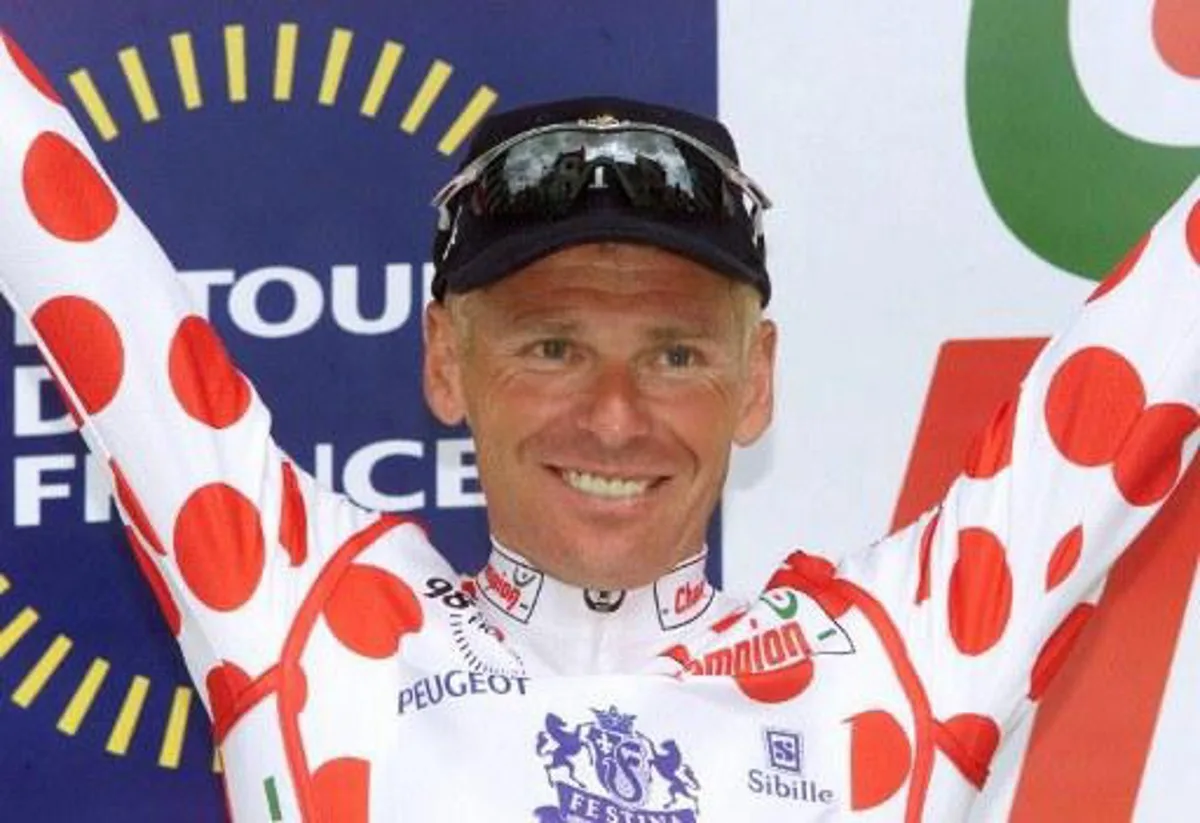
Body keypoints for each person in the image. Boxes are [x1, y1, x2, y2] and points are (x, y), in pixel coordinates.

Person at [1, 31, 1197, 822]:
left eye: (674, 354)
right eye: (553, 345)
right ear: (444, 361)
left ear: (757, 377)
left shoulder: (890, 668)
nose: (614, 417)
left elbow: (1160, 334)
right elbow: (61, 234)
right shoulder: (310, 626)